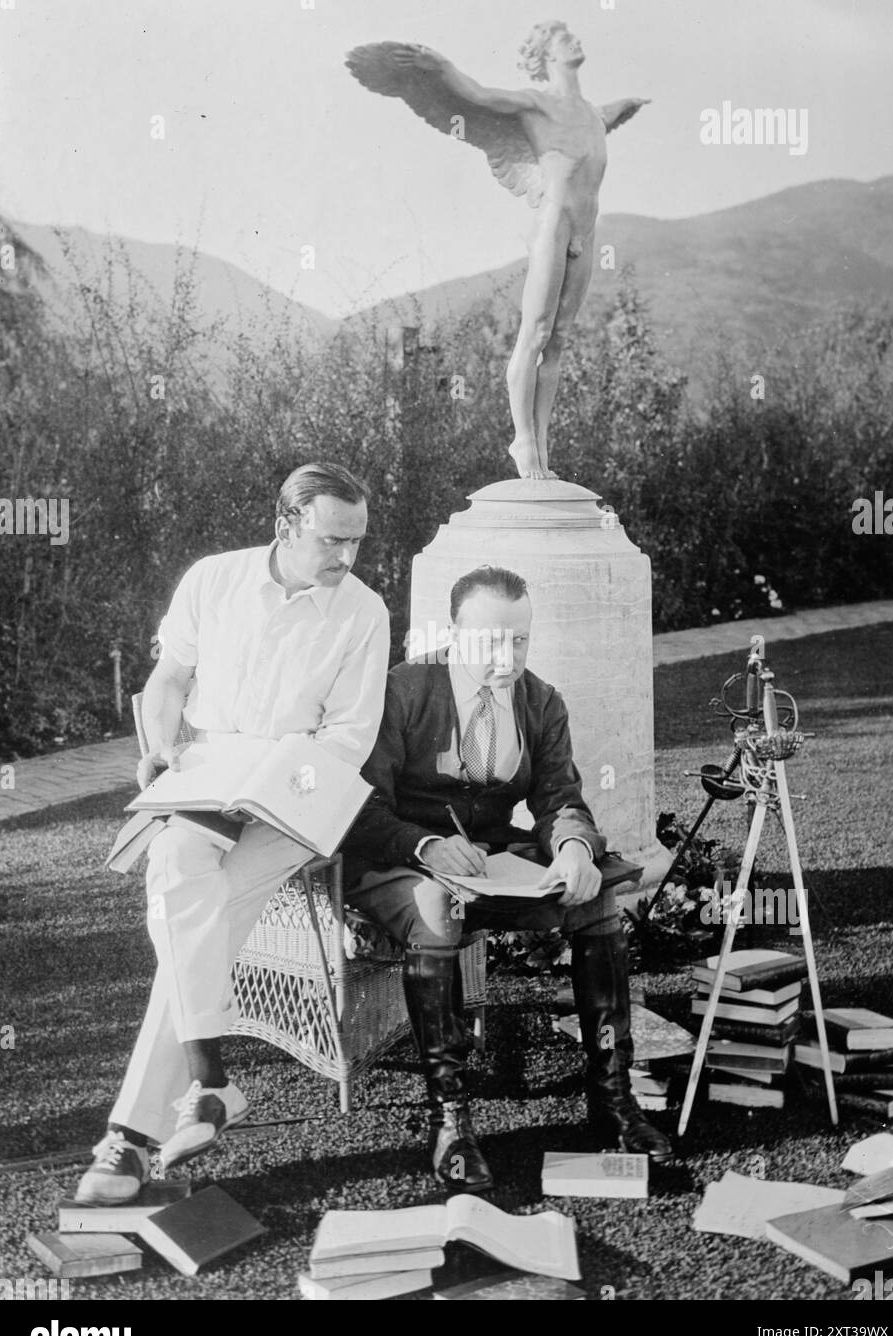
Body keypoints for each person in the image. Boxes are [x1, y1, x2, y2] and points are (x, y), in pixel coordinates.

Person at [76, 463, 390, 1204]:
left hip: (299, 796)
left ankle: (137, 1134)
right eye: (331, 539)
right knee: (178, 872)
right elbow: (168, 681)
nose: (345, 558)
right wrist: (156, 746)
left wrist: (274, 787)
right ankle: (203, 1086)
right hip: (208, 776)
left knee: (194, 908)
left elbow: (346, 742)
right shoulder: (212, 580)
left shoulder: (364, 612)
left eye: (356, 542)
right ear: (285, 524)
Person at [342, 566, 672, 1193]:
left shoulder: (541, 701)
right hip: (396, 859)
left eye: (520, 640)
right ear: (451, 632)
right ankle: (450, 1120)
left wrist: (573, 846)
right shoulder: (402, 692)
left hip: (491, 860)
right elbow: (359, 807)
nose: (508, 656)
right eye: (491, 640)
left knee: (596, 896)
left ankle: (611, 1100)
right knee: (438, 909)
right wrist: (426, 844)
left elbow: (559, 796)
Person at [348, 23, 649, 479]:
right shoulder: (534, 103)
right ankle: (522, 441)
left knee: (561, 338)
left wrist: (630, 104)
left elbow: (613, 112)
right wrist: (440, 67)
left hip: (586, 231)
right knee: (537, 331)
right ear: (547, 55)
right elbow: (477, 96)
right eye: (565, 39)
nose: (577, 42)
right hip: (555, 224)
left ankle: (542, 445)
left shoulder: (594, 114)